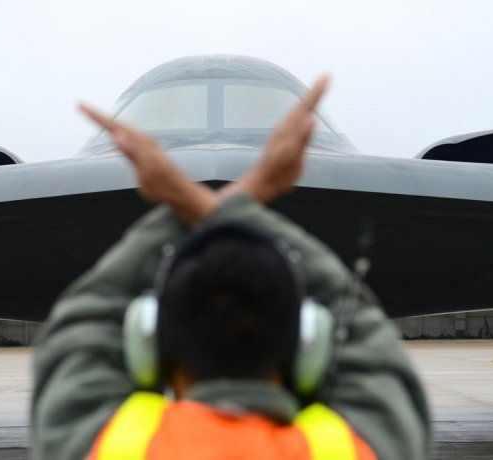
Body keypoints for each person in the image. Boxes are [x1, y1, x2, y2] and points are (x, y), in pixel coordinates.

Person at [31, 76, 430, 460]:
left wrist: (185, 196)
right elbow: (367, 336)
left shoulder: (108, 447)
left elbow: (83, 320)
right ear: (309, 342)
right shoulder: (354, 449)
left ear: (148, 342)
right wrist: (237, 197)